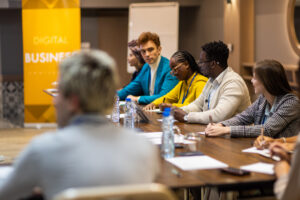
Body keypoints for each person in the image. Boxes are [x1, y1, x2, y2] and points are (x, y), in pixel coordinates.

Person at [0, 50, 159, 200]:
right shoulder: (145, 148)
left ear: (73, 101)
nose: (54, 101)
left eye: (58, 92)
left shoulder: (44, 150)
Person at [205, 59, 300, 138]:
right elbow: (242, 118)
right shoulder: (262, 100)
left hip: (285, 155)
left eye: (254, 78)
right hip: (264, 150)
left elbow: (266, 130)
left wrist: (227, 130)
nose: (251, 81)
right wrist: (221, 125)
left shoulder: (291, 103)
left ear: (266, 81)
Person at [173, 41, 251, 124]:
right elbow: (197, 105)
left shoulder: (234, 83)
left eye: (202, 62)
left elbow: (219, 116)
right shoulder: (211, 80)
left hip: (238, 135)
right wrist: (178, 111)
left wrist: (186, 117)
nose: (199, 65)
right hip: (216, 131)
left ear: (213, 64)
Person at [267, 63, 300, 200]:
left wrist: (283, 170)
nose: (251, 80)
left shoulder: (291, 101)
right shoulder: (262, 100)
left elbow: (289, 196)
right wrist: (290, 157)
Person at [117, 32, 178, 104]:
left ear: (159, 50)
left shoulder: (169, 68)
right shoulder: (146, 67)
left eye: (150, 49)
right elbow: (131, 89)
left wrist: (138, 98)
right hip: (149, 110)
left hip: (166, 112)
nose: (147, 54)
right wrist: (111, 96)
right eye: (143, 51)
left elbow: (164, 97)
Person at [143, 50, 208, 110]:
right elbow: (167, 97)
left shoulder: (201, 83)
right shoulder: (183, 82)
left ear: (186, 64)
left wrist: (172, 106)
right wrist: (154, 103)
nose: (174, 74)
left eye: (175, 69)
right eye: (172, 71)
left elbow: (197, 107)